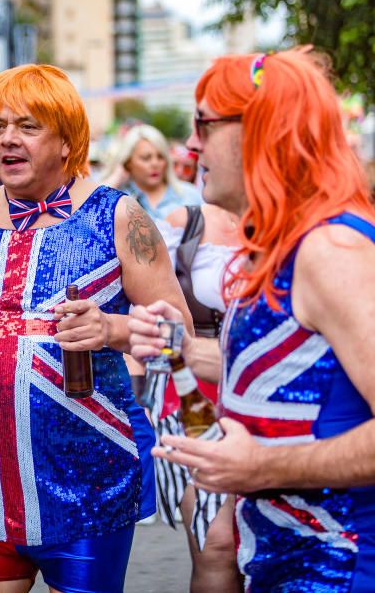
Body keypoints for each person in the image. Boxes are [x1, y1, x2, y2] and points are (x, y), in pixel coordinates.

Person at [0, 63, 190, 593]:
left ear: (67, 141)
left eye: (29, 126)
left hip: (91, 490)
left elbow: (180, 336)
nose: (8, 140)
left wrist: (110, 328)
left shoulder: (119, 216)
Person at [129, 48, 375, 592]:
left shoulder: (330, 249)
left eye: (204, 124)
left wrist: (262, 469)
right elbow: (292, 375)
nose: (190, 146)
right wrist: (185, 350)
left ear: (263, 130)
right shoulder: (275, 247)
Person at [145, 203, 242, 592]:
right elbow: (147, 305)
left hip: (264, 391)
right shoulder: (184, 223)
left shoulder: (294, 221)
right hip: (190, 397)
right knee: (215, 543)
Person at [101, 124, 201, 220]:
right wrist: (116, 177)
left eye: (160, 156)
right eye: (146, 158)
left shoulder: (189, 194)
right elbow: (89, 212)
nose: (155, 163)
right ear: (128, 162)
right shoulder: (116, 196)